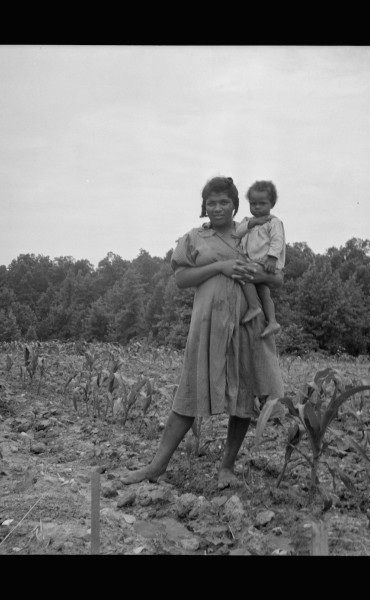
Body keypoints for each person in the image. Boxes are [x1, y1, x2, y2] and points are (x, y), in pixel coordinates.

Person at [121, 176, 285, 490]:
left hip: (249, 321)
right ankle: (156, 466)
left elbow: (277, 279)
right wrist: (220, 267)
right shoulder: (195, 238)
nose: (218, 207)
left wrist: (256, 271)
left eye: (224, 202)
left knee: (244, 393)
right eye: (212, 202)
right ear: (204, 206)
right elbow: (182, 278)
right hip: (208, 323)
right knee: (189, 392)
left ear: (236, 205)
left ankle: (227, 467)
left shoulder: (251, 234)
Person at [235, 180, 285, 338]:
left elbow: (277, 241)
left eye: (262, 203)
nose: (257, 207)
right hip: (253, 262)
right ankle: (272, 322)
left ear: (272, 203)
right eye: (253, 203)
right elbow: (237, 233)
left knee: (244, 275)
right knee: (263, 291)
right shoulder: (247, 222)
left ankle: (254, 307)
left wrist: (272, 258)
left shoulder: (273, 222)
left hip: (266, 263)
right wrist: (252, 223)